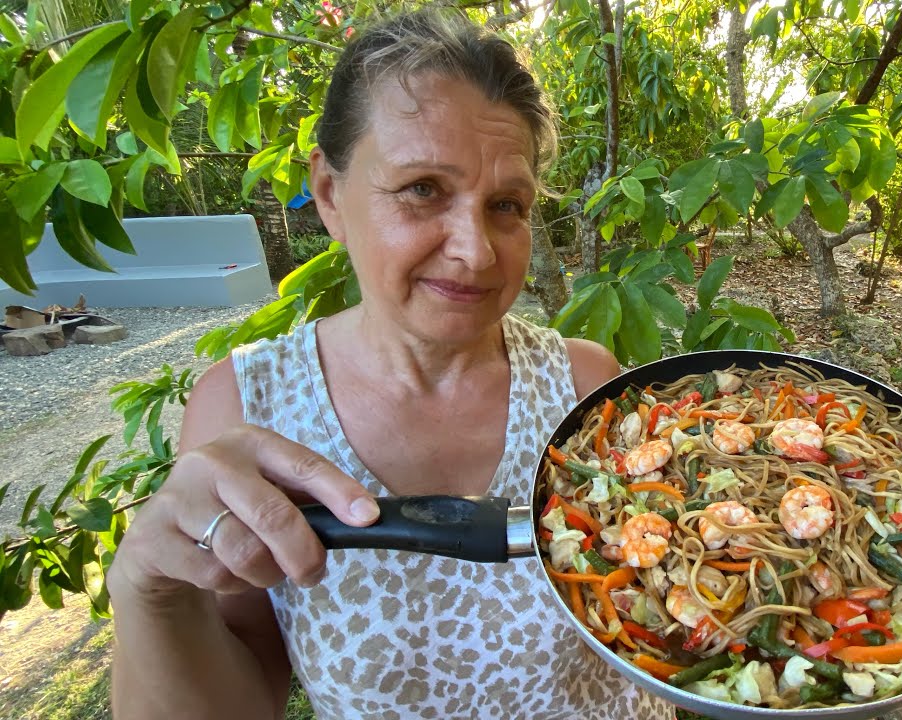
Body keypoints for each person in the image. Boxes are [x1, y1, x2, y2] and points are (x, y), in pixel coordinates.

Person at [107, 9, 672, 719]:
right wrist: (147, 589)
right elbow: (237, 698)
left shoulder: (588, 389)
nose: (476, 250)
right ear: (330, 194)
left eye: (506, 204)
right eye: (422, 189)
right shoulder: (251, 410)